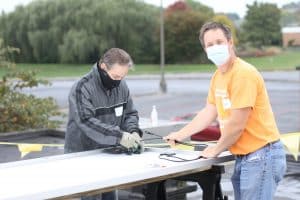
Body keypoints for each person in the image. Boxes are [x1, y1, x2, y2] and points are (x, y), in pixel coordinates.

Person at [164, 22, 286, 200]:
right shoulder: (218, 76)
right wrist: (180, 134)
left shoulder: (243, 74)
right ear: (205, 50)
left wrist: (216, 149)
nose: (215, 47)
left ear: (230, 43)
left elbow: (237, 125)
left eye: (219, 42)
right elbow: (209, 112)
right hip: (245, 157)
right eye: (210, 45)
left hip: (261, 156)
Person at [65, 48, 144, 200]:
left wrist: (133, 131)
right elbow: (86, 121)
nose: (118, 81)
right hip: (83, 157)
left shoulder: (121, 85)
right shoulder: (82, 88)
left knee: (110, 196)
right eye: (115, 76)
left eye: (122, 77)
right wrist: (119, 136)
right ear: (103, 66)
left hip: (109, 153)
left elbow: (130, 114)